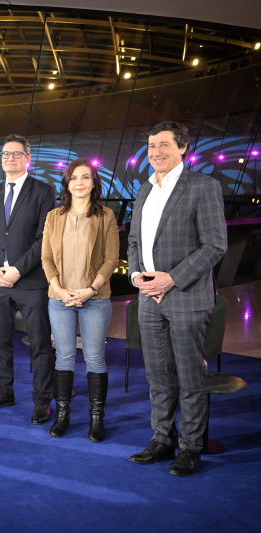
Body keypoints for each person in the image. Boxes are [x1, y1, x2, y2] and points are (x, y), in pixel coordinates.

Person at [127, 121, 227, 476]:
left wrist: (172, 278)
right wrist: (137, 274)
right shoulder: (143, 190)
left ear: (183, 147)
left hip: (186, 297)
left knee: (189, 377)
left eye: (164, 145)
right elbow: (135, 242)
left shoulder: (204, 187)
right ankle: (161, 439)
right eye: (152, 145)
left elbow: (215, 245)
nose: (156, 152)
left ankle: (191, 447)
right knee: (157, 376)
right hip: (149, 299)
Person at [0, 133, 57, 424]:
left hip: (31, 280)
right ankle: (3, 391)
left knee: (39, 344)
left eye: (15, 153)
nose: (9, 158)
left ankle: (42, 400)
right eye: (5, 154)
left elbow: (43, 238)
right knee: (0, 341)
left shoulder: (44, 191)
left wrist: (18, 269)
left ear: (27, 158)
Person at [41, 158, 119, 441]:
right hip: (59, 297)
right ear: (67, 183)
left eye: (85, 177)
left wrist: (91, 289)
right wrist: (60, 291)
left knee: (95, 357)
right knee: (64, 356)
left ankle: (96, 418)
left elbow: (112, 259)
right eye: (74, 178)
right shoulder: (53, 216)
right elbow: (46, 258)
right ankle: (62, 414)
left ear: (94, 182)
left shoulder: (106, 215)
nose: (79, 183)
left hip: (95, 298)